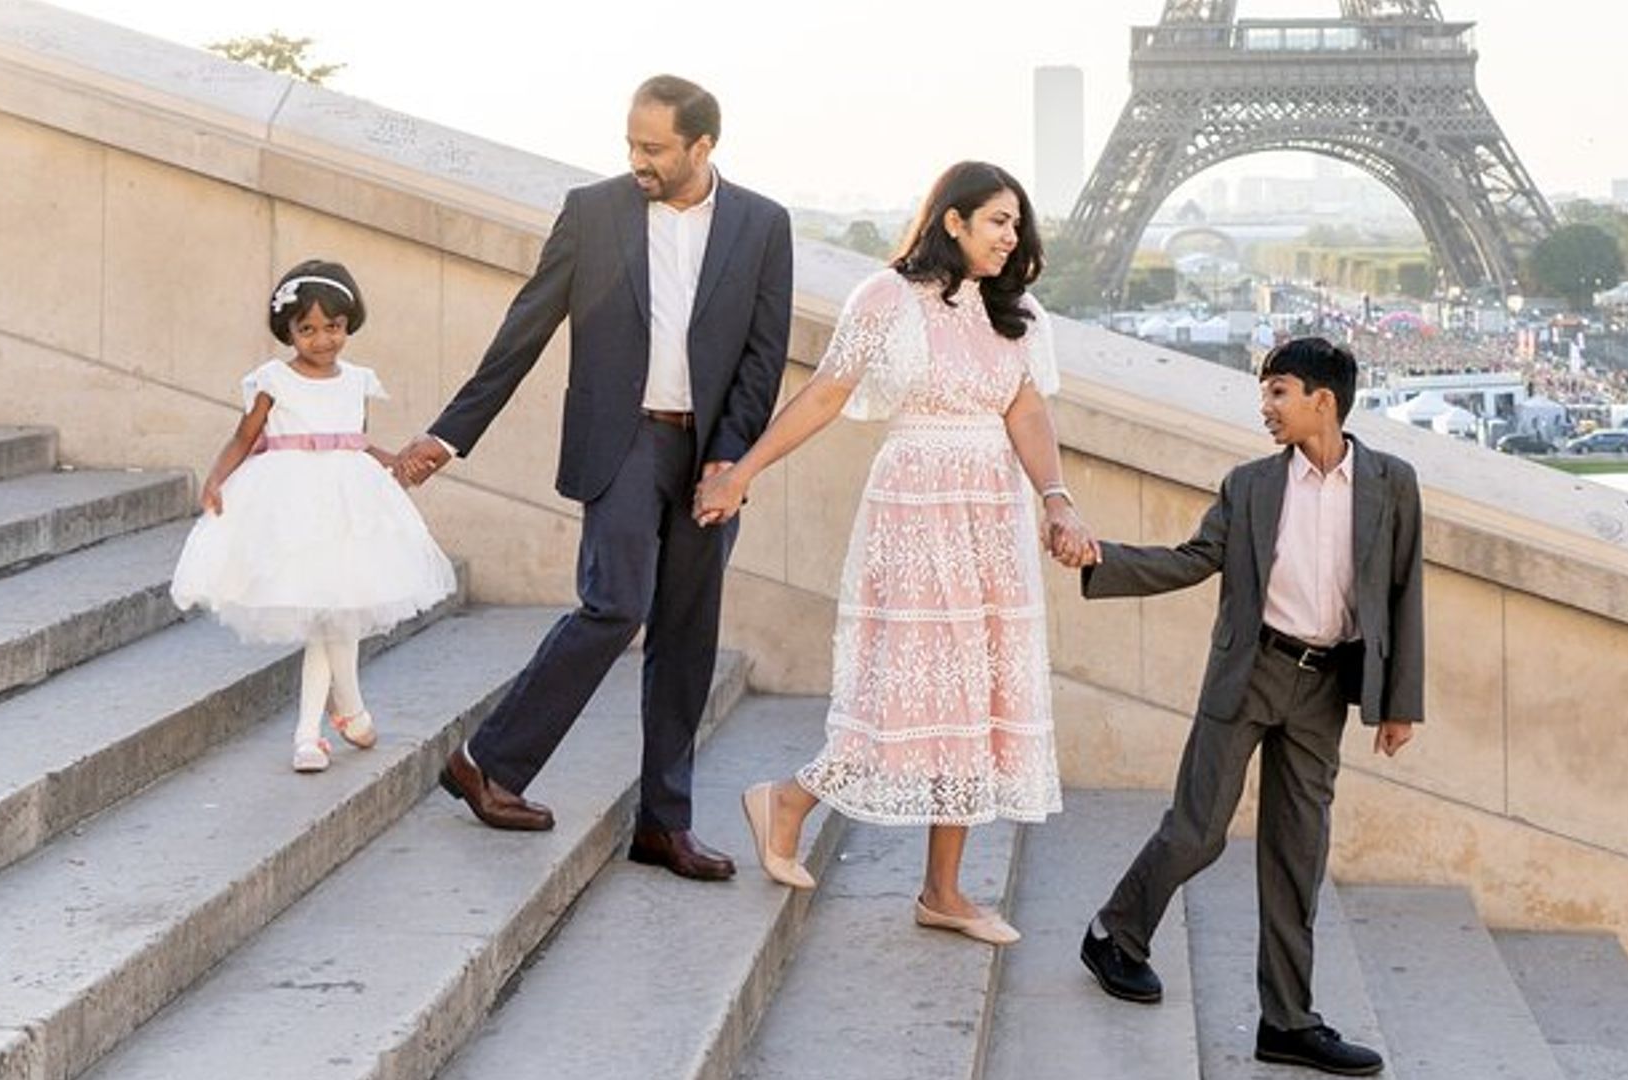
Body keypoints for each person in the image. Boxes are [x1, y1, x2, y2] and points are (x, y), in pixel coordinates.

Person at [390, 76, 792, 882]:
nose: (637, 160)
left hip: (708, 454)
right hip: (624, 443)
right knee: (615, 605)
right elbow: (523, 331)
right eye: (631, 145)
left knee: (687, 635)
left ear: (701, 147)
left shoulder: (762, 225)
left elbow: (763, 353)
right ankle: (488, 762)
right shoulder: (594, 211)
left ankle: (663, 824)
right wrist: (448, 436)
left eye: (655, 149)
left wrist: (732, 457)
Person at [693, 161, 1090, 945]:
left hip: (991, 518)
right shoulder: (884, 300)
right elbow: (826, 395)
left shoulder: (1019, 314)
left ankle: (942, 890)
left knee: (976, 700)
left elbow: (1027, 410)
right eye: (997, 222)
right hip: (915, 511)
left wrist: (1056, 498)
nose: (1012, 238)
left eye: (1018, 225)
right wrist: (742, 472)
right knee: (903, 692)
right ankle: (791, 800)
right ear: (952, 220)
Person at [1074, 337, 1424, 1077]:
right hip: (1250, 670)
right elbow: (1194, 559)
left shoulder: (1393, 484)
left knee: (1298, 856)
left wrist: (1400, 704)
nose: (1264, 408)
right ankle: (1117, 932)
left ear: (1322, 401)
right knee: (1198, 831)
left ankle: (1288, 1022)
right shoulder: (1252, 486)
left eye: (1278, 393)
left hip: (1325, 688)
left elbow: (1403, 594)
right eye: (1264, 394)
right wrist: (1100, 560)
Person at [171, 260, 458, 773]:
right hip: (293, 506)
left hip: (347, 504)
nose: (322, 339)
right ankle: (322, 727)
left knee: (338, 612)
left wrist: (391, 461)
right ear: (289, 330)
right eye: (307, 329)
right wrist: (216, 478)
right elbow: (245, 436)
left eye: (333, 327)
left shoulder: (357, 380)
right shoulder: (273, 380)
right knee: (327, 617)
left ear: (349, 325)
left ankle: (334, 720)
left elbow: (354, 438)